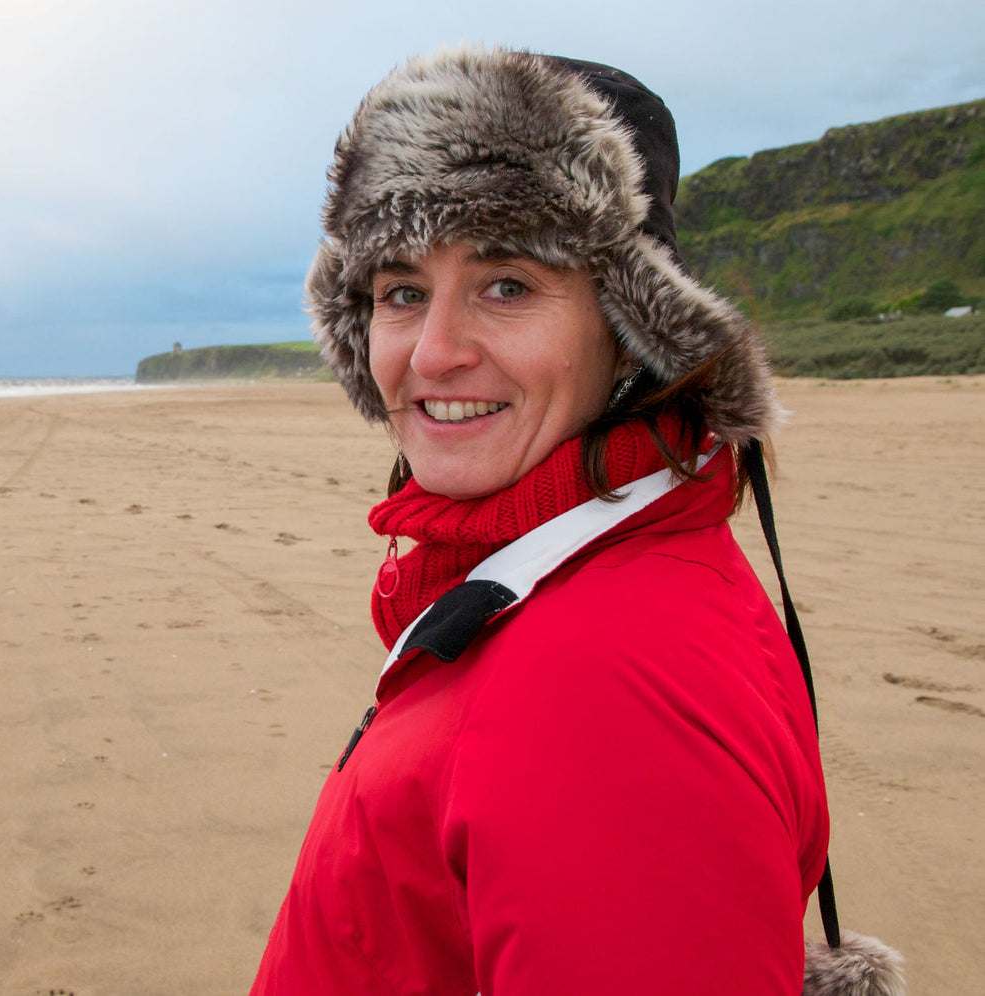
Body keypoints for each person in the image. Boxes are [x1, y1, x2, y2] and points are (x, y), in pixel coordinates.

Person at [250, 47, 903, 995]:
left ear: (633, 328)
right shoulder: (590, 570)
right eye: (401, 290)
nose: (433, 353)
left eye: (507, 283)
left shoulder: (600, 690)